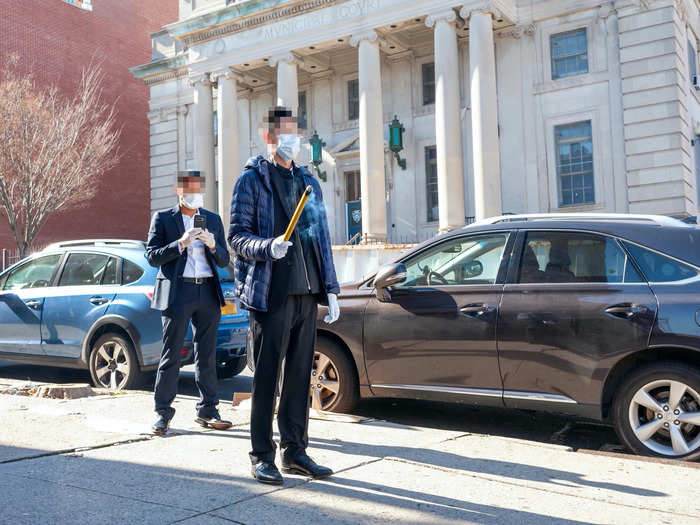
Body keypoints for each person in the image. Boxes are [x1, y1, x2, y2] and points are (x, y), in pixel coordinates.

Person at [228, 107, 340, 485]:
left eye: (297, 134)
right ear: (270, 138)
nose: (294, 141)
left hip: (306, 294)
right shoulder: (251, 180)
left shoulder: (309, 181)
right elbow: (236, 238)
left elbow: (321, 239)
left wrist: (332, 290)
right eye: (286, 135)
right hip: (269, 293)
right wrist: (267, 246)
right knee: (266, 378)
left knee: (297, 378)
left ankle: (295, 451)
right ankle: (262, 455)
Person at [146, 171, 233, 435]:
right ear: (180, 191)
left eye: (199, 189)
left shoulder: (213, 219)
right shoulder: (163, 218)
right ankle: (162, 412)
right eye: (191, 188)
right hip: (178, 291)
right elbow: (152, 256)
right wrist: (180, 244)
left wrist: (214, 244)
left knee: (206, 354)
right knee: (171, 353)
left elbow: (224, 260)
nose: (196, 193)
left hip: (207, 290)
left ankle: (208, 409)